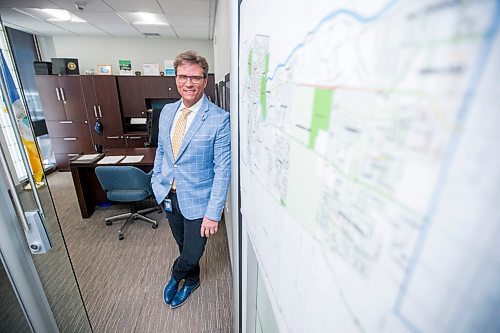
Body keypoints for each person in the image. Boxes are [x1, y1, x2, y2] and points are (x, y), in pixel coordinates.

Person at [151, 50, 231, 309]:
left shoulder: (219, 119)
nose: (189, 83)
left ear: (205, 80)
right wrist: (156, 182)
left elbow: (223, 170)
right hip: (170, 196)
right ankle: (193, 279)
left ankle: (177, 274)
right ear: (175, 78)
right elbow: (162, 151)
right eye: (183, 76)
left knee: (193, 251)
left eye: (195, 77)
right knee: (182, 243)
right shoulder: (167, 112)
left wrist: (213, 213)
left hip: (199, 201)